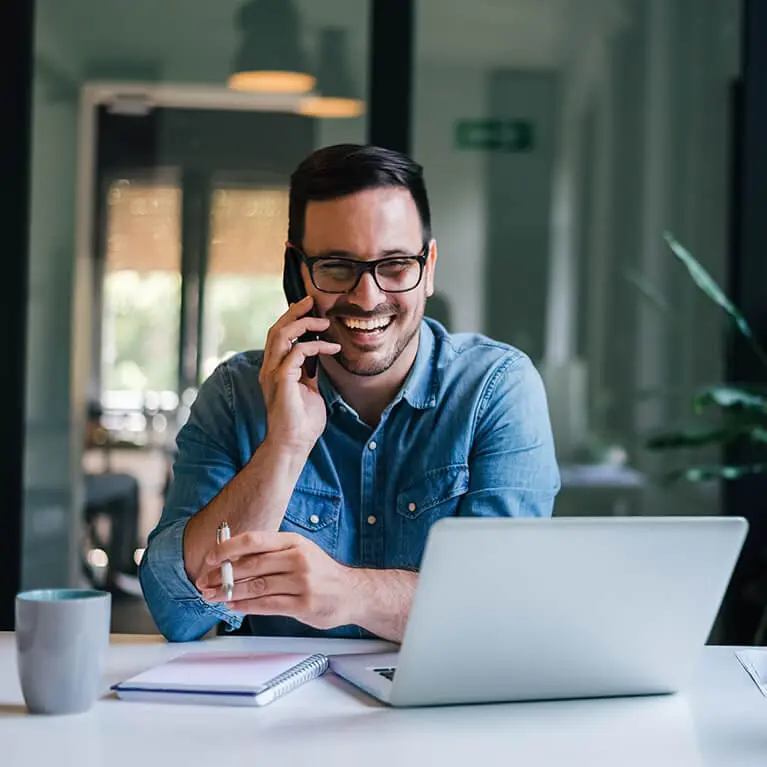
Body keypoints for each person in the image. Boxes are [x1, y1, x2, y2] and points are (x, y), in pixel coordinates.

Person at [139, 144, 560, 643]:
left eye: (396, 265)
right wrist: (285, 448)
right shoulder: (235, 394)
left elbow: (504, 610)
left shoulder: (496, 389)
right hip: (276, 717)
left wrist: (349, 593)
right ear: (298, 271)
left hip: (439, 714)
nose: (368, 297)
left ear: (429, 266)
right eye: (338, 267)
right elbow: (176, 612)